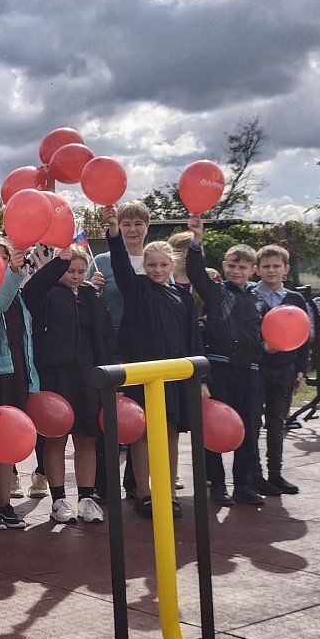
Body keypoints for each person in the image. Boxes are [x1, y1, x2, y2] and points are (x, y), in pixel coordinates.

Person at [105, 206, 204, 515]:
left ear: (172, 265)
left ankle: (167, 490)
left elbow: (193, 340)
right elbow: (121, 265)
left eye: (163, 264)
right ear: (144, 266)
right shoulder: (137, 289)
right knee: (143, 432)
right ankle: (144, 492)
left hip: (174, 377)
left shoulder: (183, 298)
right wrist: (113, 233)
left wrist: (199, 380)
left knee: (171, 431)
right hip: (143, 375)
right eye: (151, 264)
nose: (157, 269)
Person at [23, 244, 121, 524]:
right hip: (57, 375)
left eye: (80, 271)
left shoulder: (91, 295)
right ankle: (58, 500)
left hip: (89, 375)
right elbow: (31, 290)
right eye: (70, 270)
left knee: (87, 436)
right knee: (56, 436)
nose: (76, 276)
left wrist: (112, 371)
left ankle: (86, 498)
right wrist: (59, 262)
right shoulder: (45, 293)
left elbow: (105, 333)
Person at [186, 217, 267, 507]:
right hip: (219, 366)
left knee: (248, 427)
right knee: (215, 426)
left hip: (250, 370)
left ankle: (244, 484)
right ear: (224, 266)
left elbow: (269, 331)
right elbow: (195, 272)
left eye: (243, 267)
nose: (236, 271)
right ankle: (217, 485)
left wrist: (268, 346)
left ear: (252, 270)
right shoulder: (216, 292)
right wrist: (196, 242)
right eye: (232, 265)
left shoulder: (260, 298)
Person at [0, 237, 38, 530]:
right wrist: (13, 273)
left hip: (14, 370)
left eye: (3, 258)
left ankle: (4, 503)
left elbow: (24, 337)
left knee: (6, 436)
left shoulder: (21, 294)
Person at [252, 245, 308, 496]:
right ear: (257, 270)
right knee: (252, 423)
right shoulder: (250, 295)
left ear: (286, 269)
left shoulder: (295, 300)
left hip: (284, 370)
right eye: (266, 266)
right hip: (256, 369)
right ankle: (254, 475)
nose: (271, 270)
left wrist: (300, 369)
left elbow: (304, 335)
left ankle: (275, 474)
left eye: (276, 266)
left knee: (277, 423)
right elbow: (243, 332)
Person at [92, 200, 153, 332]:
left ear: (147, 226)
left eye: (138, 224)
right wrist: (92, 289)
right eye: (126, 224)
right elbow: (84, 302)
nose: (132, 229)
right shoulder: (101, 262)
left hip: (151, 339)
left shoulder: (159, 262)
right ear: (117, 226)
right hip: (111, 339)